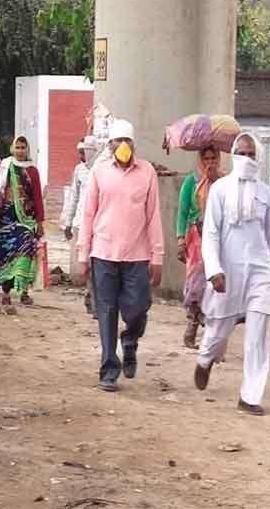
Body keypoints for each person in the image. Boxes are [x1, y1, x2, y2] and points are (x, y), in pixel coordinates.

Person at [194, 133, 270, 416]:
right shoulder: (220, 189)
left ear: (258, 157)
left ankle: (250, 396)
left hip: (260, 271)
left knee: (258, 335)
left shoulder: (266, 193)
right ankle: (205, 358)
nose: (246, 158)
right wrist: (214, 269)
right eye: (241, 153)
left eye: (251, 153)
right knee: (219, 329)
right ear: (233, 155)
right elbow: (211, 234)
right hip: (228, 271)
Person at [78, 119, 164, 392]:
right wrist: (83, 252)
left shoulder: (147, 172)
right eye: (118, 142)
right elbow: (88, 213)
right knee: (106, 311)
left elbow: (153, 216)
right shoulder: (99, 172)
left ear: (133, 144)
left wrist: (157, 255)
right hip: (103, 253)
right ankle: (109, 369)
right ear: (111, 145)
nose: (123, 146)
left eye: (127, 141)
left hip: (137, 256)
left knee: (138, 308)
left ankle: (130, 340)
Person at [0, 135, 45, 307]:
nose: (20, 151)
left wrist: (40, 221)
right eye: (17, 147)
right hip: (5, 219)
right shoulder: (4, 165)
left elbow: (37, 198)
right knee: (5, 256)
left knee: (26, 252)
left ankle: (24, 292)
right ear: (12, 149)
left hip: (26, 219)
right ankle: (6, 293)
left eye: (23, 147)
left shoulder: (32, 170)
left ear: (28, 150)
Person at [176, 147, 223, 348]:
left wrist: (215, 181)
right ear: (200, 159)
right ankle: (192, 326)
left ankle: (210, 334)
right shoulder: (191, 182)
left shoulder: (224, 182)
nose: (209, 162)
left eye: (213, 158)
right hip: (196, 238)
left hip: (219, 240)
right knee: (195, 283)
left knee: (215, 284)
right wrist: (180, 240)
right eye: (206, 158)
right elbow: (183, 212)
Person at [61, 137, 98, 314]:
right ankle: (91, 295)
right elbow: (74, 197)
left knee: (98, 264)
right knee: (87, 264)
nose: (80, 155)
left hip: (98, 225)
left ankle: (95, 298)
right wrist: (68, 223)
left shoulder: (101, 169)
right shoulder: (79, 170)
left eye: (83, 151)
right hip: (80, 224)